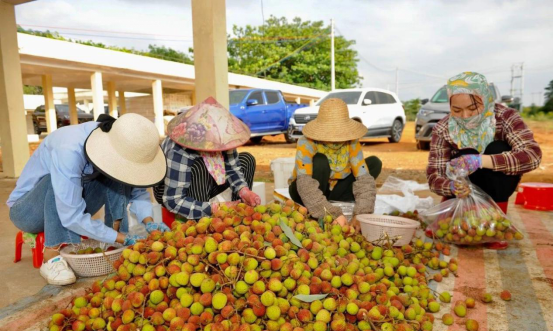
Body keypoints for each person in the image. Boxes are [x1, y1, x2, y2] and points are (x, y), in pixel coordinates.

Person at [7, 113, 169, 285]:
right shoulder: (69, 148)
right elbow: (70, 215)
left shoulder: (119, 142)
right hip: (28, 212)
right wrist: (122, 237)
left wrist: (149, 221)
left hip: (70, 204)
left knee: (120, 176)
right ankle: (51, 257)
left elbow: (136, 191)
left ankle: (114, 241)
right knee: (56, 181)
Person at [427, 72, 542, 247]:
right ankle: (451, 216)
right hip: (461, 191)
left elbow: (532, 155)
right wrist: (449, 186)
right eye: (456, 110)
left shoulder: (505, 118)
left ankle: (495, 223)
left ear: (486, 99)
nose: (465, 116)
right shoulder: (443, 128)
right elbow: (434, 175)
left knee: (497, 148)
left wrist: (481, 161)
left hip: (496, 182)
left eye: (473, 108)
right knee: (464, 151)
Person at [154, 97, 260, 220]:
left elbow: (232, 168)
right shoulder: (179, 150)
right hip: (174, 190)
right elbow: (173, 200)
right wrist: (213, 209)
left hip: (211, 177)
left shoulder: (224, 138)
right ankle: (203, 222)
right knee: (199, 167)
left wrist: (244, 190)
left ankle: (238, 214)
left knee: (247, 159)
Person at [289, 98, 382, 230]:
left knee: (374, 163)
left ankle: (332, 202)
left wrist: (361, 214)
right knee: (320, 161)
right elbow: (305, 184)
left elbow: (364, 179)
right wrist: (331, 214)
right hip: (303, 190)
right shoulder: (306, 142)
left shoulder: (351, 142)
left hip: (333, 190)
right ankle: (319, 207)